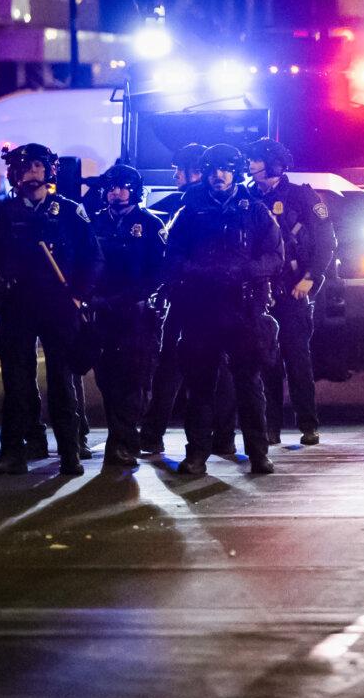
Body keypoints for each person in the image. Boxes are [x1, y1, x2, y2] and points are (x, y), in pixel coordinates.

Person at [0, 144, 102, 476]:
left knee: (63, 379)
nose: (30, 173)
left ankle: (71, 452)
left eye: (36, 166)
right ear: (13, 175)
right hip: (17, 305)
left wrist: (79, 296)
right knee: (16, 382)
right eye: (22, 168)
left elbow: (93, 258)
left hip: (59, 304)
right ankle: (14, 451)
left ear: (48, 171)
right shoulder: (1, 214)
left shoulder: (71, 212)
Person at [163, 144, 282, 475]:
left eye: (226, 169)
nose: (219, 175)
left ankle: (258, 454)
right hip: (202, 308)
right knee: (199, 386)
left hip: (243, 309)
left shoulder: (255, 211)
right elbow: (172, 258)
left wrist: (244, 272)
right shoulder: (189, 213)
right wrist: (199, 273)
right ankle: (197, 455)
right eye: (214, 169)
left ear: (236, 172)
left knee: (249, 384)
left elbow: (275, 257)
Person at [140, 144, 237, 456]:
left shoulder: (190, 207)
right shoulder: (220, 203)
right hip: (214, 300)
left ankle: (153, 434)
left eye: (180, 169)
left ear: (196, 172)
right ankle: (223, 437)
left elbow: (174, 256)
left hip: (190, 300)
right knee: (220, 371)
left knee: (172, 367)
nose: (176, 176)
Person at [245, 138, 336, 446]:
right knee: (265, 358)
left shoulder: (302, 196)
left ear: (272, 164)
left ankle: (308, 424)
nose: (250, 165)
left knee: (298, 359)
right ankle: (271, 427)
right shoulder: (247, 198)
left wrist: (310, 278)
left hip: (294, 290)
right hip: (260, 292)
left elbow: (326, 242)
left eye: (256, 160)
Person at [90, 164, 167, 467]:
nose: (116, 192)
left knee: (134, 379)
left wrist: (129, 298)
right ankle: (120, 439)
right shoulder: (95, 224)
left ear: (133, 190)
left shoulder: (149, 224)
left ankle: (123, 442)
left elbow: (160, 271)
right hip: (103, 312)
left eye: (122, 186)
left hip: (137, 313)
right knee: (107, 379)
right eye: (111, 187)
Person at [149, 143, 207, 217]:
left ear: (199, 171)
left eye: (180, 169)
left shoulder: (175, 200)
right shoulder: (222, 203)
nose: (175, 176)